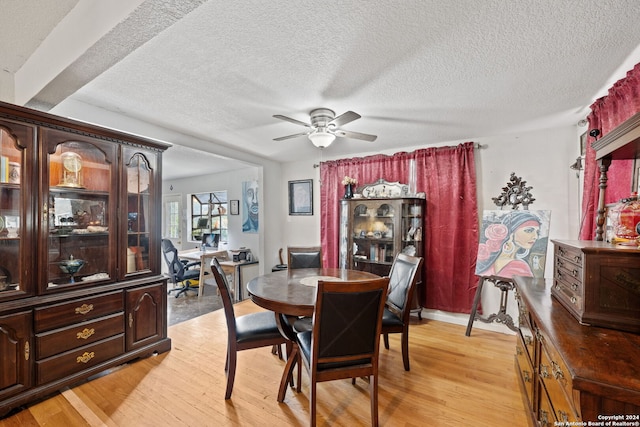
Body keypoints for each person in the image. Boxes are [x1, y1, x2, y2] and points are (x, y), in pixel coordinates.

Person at [475, 211, 542, 278]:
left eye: (537, 232)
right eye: (529, 230)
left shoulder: (491, 261)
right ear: (511, 231)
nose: (535, 236)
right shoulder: (520, 266)